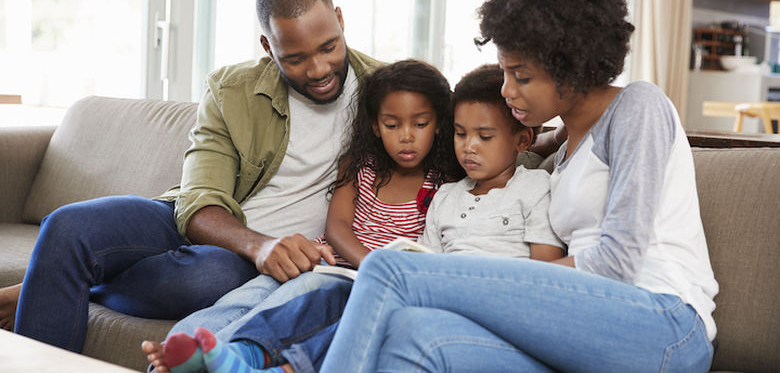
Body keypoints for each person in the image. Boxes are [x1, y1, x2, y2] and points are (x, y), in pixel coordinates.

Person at [319, 0, 719, 373]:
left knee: (389, 269)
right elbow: (520, 147)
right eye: (505, 72)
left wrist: (491, 284)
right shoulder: (565, 148)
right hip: (581, 330)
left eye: (521, 77)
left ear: (572, 67)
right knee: (415, 335)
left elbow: (618, 261)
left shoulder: (639, 106)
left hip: (662, 326)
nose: (507, 90)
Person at [1, 0, 383, 351]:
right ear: (268, 47)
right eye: (295, 58)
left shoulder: (387, 92)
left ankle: (59, 282)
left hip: (232, 267)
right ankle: (55, 282)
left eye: (329, 47)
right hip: (196, 224)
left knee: (207, 277)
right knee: (67, 227)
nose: (318, 70)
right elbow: (199, 200)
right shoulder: (233, 90)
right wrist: (260, 245)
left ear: (340, 19)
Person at [143, 60, 566, 373]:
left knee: (328, 304)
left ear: (434, 125)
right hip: (352, 271)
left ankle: (238, 360)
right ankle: (205, 349)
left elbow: (543, 267)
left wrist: (560, 133)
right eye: (462, 134)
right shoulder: (448, 194)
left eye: (420, 123)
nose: (469, 146)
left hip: (402, 289)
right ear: (375, 125)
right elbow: (416, 250)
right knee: (276, 291)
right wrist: (377, 269)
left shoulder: (504, 184)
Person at [418, 63, 563, 261]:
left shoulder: (536, 187)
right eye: (460, 134)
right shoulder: (444, 197)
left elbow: (547, 268)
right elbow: (424, 266)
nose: (469, 147)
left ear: (521, 141)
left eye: (485, 136)